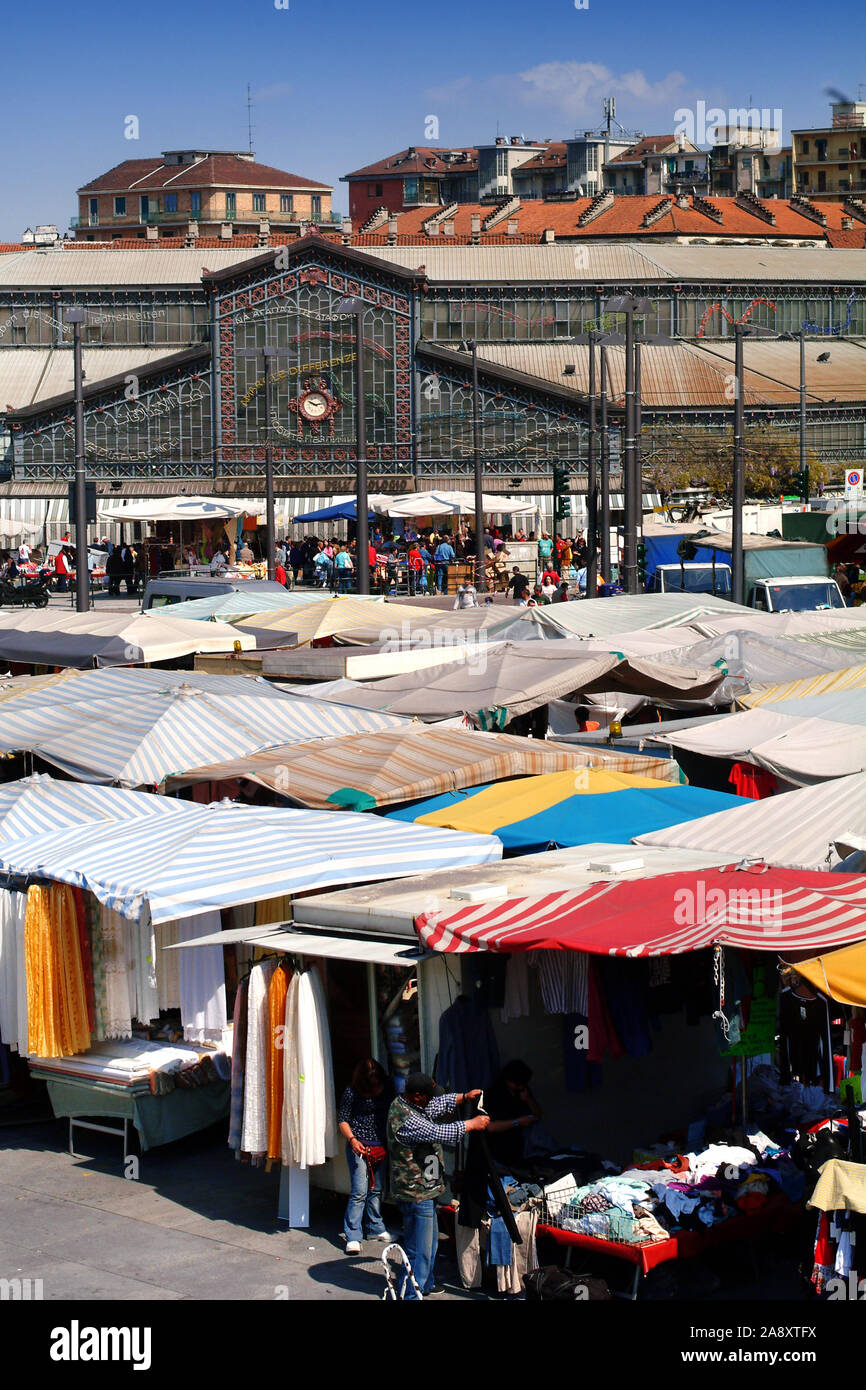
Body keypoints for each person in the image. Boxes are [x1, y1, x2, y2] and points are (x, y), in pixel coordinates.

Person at [387, 1072, 489, 1299]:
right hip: (415, 1193)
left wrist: (463, 1097)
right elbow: (439, 1132)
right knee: (418, 1249)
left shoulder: (412, 1103)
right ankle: (411, 1294)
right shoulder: (407, 1118)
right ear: (416, 1096)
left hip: (426, 1189)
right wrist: (472, 1124)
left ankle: (425, 1284)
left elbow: (435, 1106)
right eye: (427, 1096)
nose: (432, 1100)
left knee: (430, 1244)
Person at [337, 1058, 396, 1254]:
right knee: (359, 1191)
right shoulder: (351, 1092)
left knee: (377, 1189)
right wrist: (353, 1140)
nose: (376, 1088)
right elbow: (343, 1120)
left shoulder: (387, 1088)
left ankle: (375, 1227)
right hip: (359, 1146)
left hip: (380, 1144)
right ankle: (353, 1235)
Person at [485, 1060, 543, 1167]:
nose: (522, 1086)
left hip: (519, 1145)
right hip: (499, 1147)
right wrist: (517, 1122)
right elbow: (491, 1127)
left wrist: (528, 1099)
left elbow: (538, 1114)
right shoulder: (494, 1094)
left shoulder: (522, 1091)